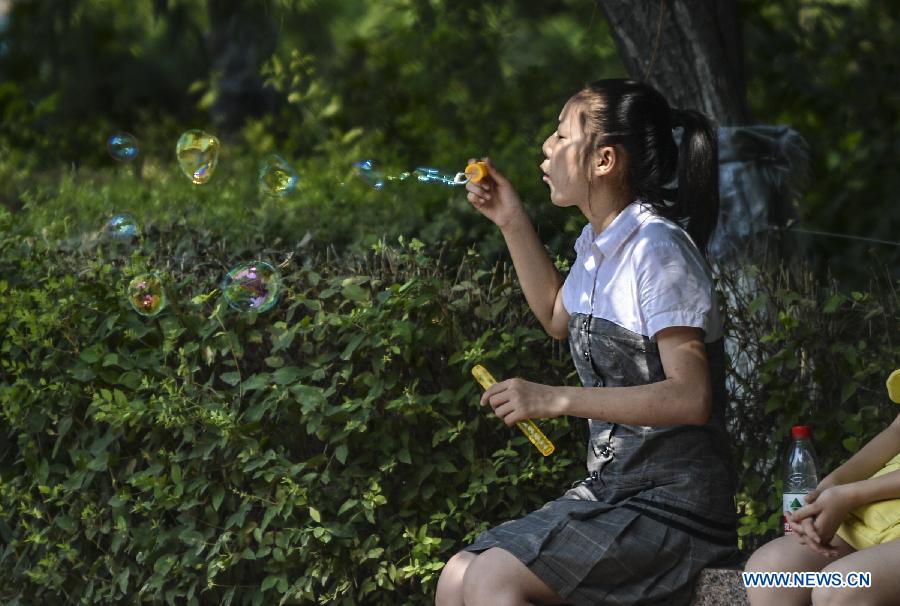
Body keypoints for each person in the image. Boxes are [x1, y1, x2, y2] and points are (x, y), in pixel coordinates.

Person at [434, 79, 739, 606]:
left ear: (603, 160)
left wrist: (555, 398)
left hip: (675, 510)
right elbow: (557, 315)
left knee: (492, 580)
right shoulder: (599, 245)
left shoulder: (657, 249)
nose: (546, 149)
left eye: (560, 135)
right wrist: (510, 218)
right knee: (458, 573)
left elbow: (691, 397)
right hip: (614, 492)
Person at [744, 370, 900, 606]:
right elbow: (897, 432)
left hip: (871, 507)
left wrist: (849, 495)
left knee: (841, 587)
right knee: (768, 573)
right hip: (872, 518)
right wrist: (828, 488)